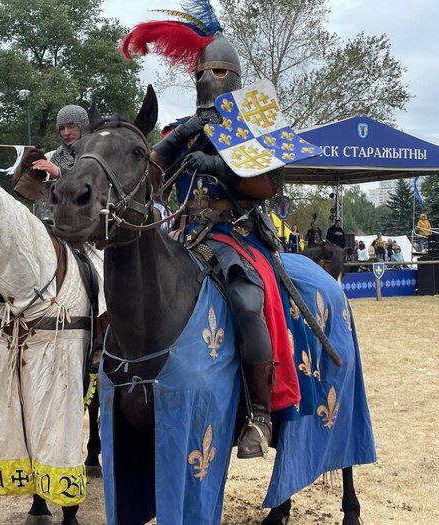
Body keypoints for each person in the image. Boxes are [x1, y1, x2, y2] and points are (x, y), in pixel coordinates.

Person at [133, 25, 299, 459]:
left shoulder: (254, 129)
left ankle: (260, 413)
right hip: (182, 233)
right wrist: (181, 134)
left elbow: (269, 188)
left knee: (246, 300)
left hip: (234, 233)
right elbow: (148, 181)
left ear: (237, 77)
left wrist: (221, 166)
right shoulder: (182, 127)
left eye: (224, 70)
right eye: (209, 71)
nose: (216, 78)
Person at [13, 104, 90, 209]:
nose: (66, 133)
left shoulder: (96, 156)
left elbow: (93, 187)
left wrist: (60, 173)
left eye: (71, 126)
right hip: (49, 221)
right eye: (62, 128)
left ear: (83, 127)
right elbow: (27, 196)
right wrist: (24, 169)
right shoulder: (50, 157)